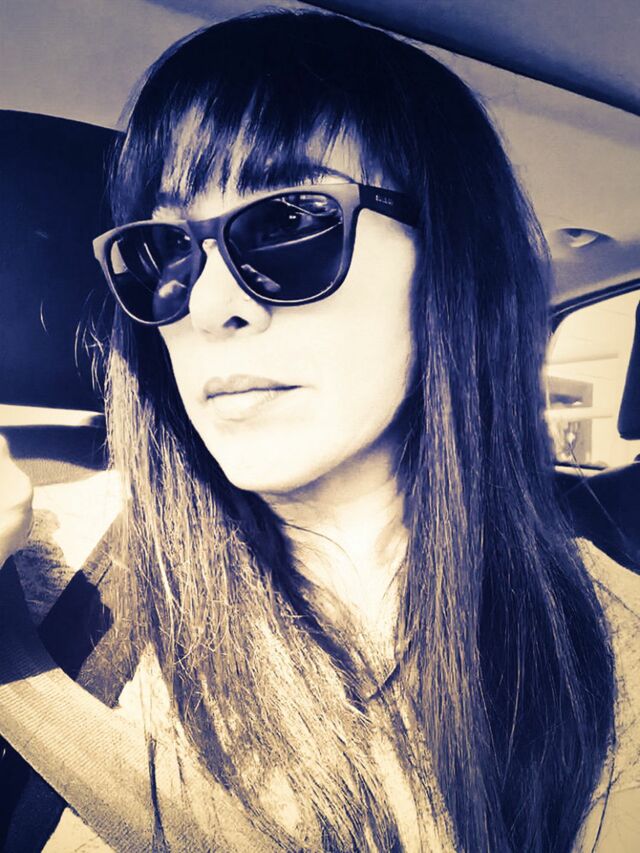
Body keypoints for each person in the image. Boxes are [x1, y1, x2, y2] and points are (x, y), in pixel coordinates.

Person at [1, 9, 638, 852]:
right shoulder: (49, 569)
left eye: (289, 223)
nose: (211, 305)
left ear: (453, 265)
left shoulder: (610, 632)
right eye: (167, 251)